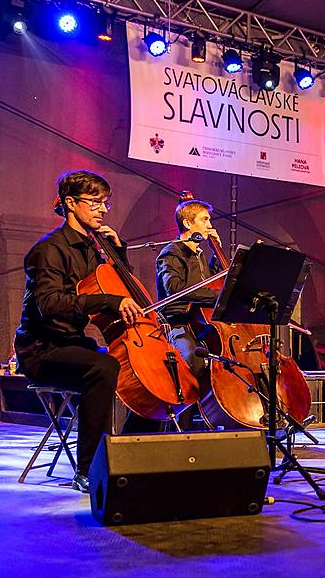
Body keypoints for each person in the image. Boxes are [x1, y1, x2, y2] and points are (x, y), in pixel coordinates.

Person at [14, 170, 141, 493]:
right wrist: (109, 301)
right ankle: (87, 470)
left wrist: (119, 254)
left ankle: (130, 451)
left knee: (130, 368)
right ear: (70, 203)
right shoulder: (49, 250)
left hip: (73, 344)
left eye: (105, 203)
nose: (102, 209)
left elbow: (118, 286)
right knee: (103, 367)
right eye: (95, 202)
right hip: (41, 350)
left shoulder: (93, 250)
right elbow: (51, 304)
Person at [125, 198, 223, 433]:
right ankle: (180, 429)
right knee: (192, 363)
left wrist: (217, 257)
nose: (210, 225)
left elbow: (210, 283)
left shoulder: (199, 255)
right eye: (205, 219)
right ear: (188, 223)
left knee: (225, 366)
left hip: (203, 325)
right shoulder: (172, 252)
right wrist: (217, 298)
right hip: (179, 324)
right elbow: (176, 289)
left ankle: (213, 425)